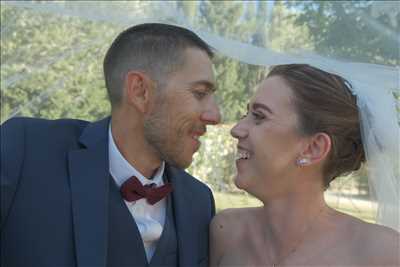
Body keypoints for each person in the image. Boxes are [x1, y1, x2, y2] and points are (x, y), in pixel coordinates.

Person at [1, 23, 220, 267]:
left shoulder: (200, 202)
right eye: (200, 93)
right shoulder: (25, 150)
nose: (215, 115)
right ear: (140, 91)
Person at [210, 64, 399, 266]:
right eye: (245, 115)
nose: (237, 130)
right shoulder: (226, 232)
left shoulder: (382, 253)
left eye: (259, 116)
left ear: (314, 148)